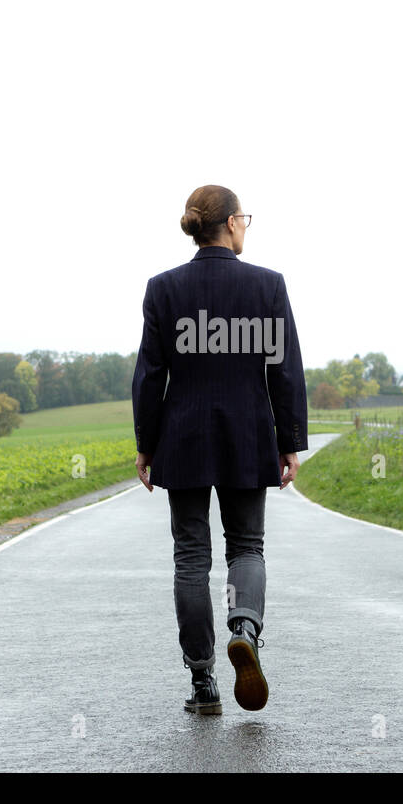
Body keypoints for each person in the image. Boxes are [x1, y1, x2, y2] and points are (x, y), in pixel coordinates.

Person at [131, 184, 307, 714]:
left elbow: (149, 376)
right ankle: (245, 631)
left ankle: (203, 681)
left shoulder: (163, 289)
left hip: (180, 438)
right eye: (245, 219)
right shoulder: (266, 287)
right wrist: (290, 442)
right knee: (246, 547)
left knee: (190, 557)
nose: (246, 227)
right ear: (230, 223)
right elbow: (285, 370)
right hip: (248, 435)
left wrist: (146, 445)